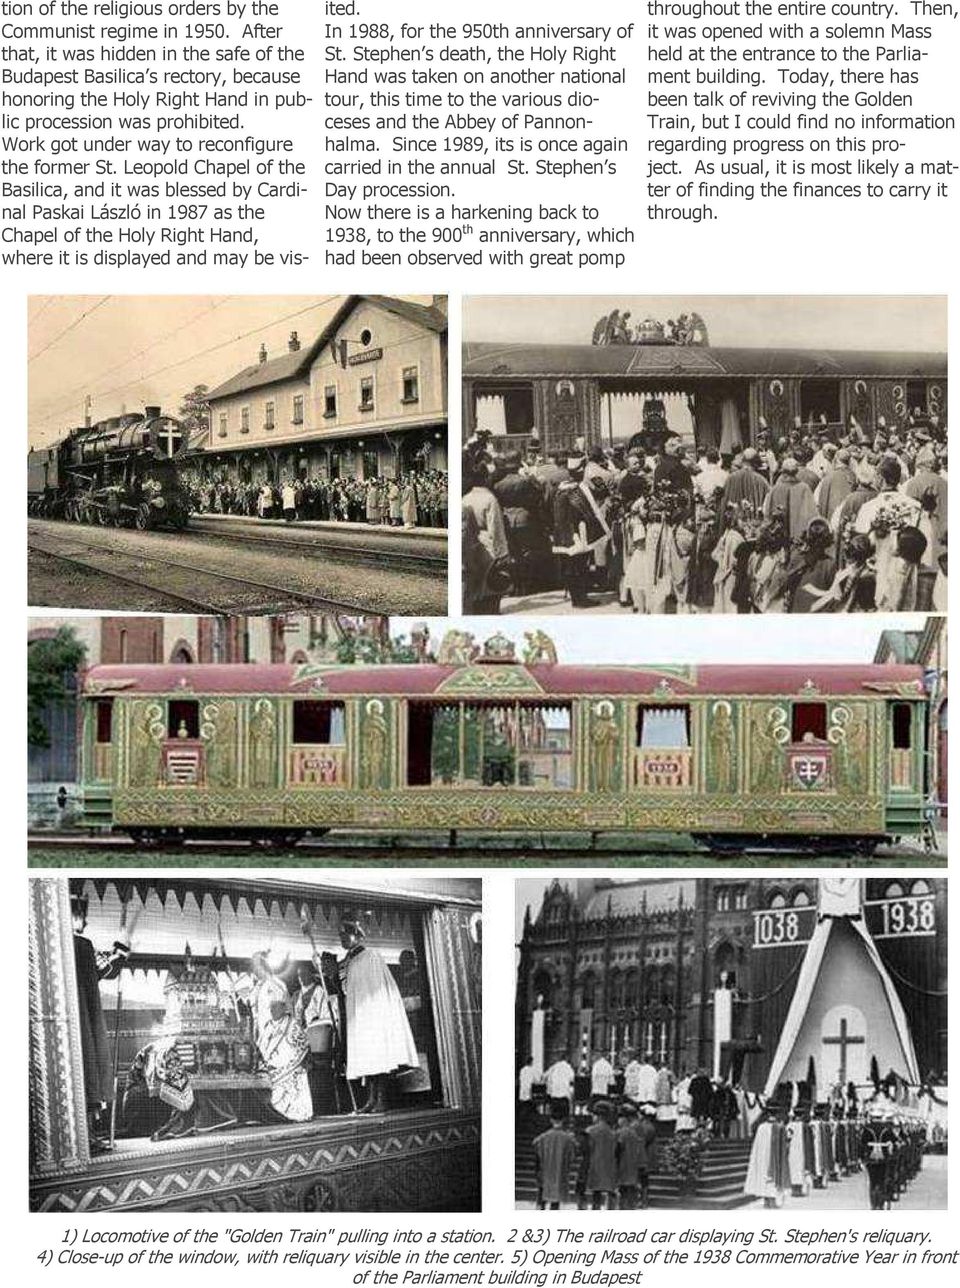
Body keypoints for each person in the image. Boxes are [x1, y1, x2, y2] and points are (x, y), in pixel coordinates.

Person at [338, 917, 419, 1115]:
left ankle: (381, 1099)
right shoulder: (350, 962)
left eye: (344, 935)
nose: (341, 939)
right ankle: (371, 1099)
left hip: (373, 1016)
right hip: (359, 1016)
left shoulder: (372, 956)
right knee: (366, 1057)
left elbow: (378, 988)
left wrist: (373, 1012)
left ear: (355, 935)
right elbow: (347, 989)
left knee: (378, 1056)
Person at [71, 893, 130, 1153]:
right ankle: (88, 1137)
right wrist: (122, 951)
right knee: (87, 1074)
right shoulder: (81, 945)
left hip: (72, 1021)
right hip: (83, 1023)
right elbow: (107, 969)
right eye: (83, 915)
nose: (85, 922)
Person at [246, 951, 313, 1122]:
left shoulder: (274, 984)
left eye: (255, 966)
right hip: (266, 1033)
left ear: (262, 966)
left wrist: (269, 1037)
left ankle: (293, 1111)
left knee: (285, 1072)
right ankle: (278, 1111)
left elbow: (277, 1011)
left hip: (280, 1033)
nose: (253, 970)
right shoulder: (258, 987)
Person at [533, 1105, 577, 1210]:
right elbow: (573, 1155)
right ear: (563, 1121)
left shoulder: (543, 1137)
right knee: (556, 1200)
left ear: (551, 1120)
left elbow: (535, 1146)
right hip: (559, 1172)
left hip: (545, 1171)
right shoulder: (568, 1138)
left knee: (542, 1195)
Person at [585, 1099, 619, 1209]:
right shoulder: (613, 1133)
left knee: (596, 1197)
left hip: (595, 1167)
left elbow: (586, 1150)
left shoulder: (590, 1131)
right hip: (610, 1167)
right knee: (610, 1194)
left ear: (598, 1116)